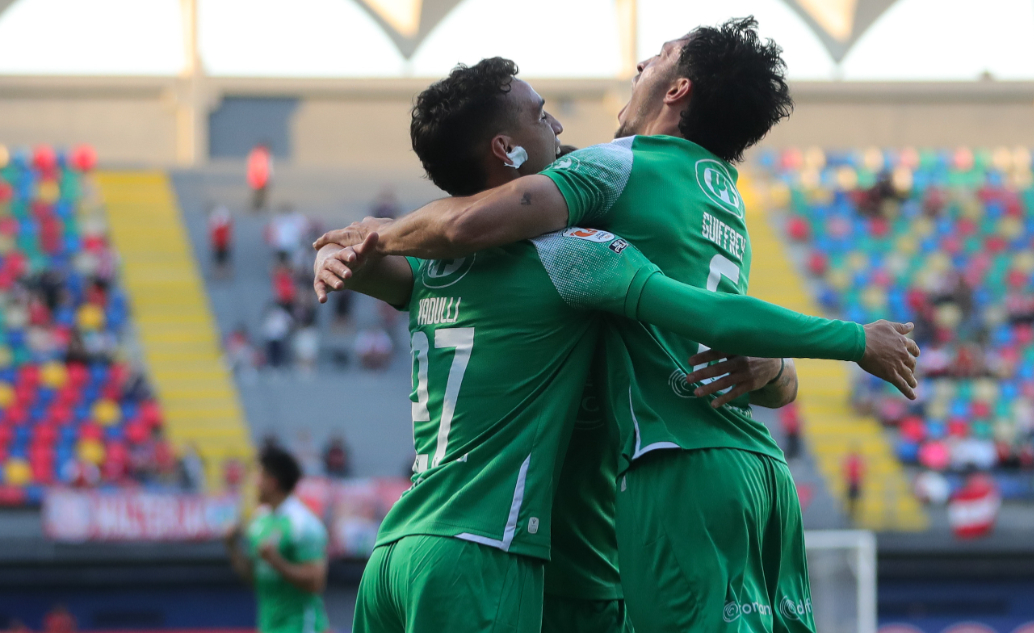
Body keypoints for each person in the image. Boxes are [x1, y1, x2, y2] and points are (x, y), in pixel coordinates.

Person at [316, 19, 919, 633]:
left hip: (442, 543)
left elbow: (448, 231)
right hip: (554, 537)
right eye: (543, 114)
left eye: (656, 56)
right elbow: (718, 320)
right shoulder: (673, 213)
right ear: (508, 149)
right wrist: (807, 359)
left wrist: (362, 238)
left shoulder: (459, 260)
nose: (558, 126)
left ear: (678, 89)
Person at [225, 446, 329, 633]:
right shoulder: (259, 520)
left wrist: (276, 562)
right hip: (268, 626)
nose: (254, 483)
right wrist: (232, 547)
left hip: (300, 627)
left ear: (271, 482)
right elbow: (254, 576)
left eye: (258, 475)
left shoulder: (303, 524)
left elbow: (316, 582)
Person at [209, 203, 233, 278]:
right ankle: (224, 273)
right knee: (223, 258)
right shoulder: (226, 222)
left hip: (218, 241)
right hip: (223, 241)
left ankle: (219, 273)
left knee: (219, 258)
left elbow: (211, 231)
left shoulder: (214, 220)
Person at [247, 143, 273, 212]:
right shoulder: (264, 156)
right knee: (261, 195)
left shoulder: (254, 155)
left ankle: (257, 207)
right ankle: (258, 207)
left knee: (258, 194)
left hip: (257, 178)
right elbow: (267, 168)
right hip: (261, 178)